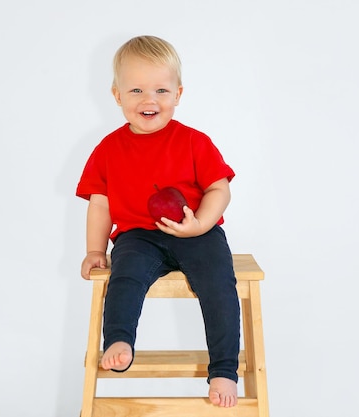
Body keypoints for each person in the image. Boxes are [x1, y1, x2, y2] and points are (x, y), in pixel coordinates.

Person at [76, 35, 240, 408]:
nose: (149, 100)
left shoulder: (194, 142)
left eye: (161, 90)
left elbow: (220, 189)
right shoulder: (107, 149)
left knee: (219, 285)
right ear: (117, 95)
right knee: (125, 277)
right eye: (136, 90)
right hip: (138, 236)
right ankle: (119, 339)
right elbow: (99, 204)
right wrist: (93, 250)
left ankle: (224, 370)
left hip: (195, 231)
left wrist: (200, 223)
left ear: (178, 94)